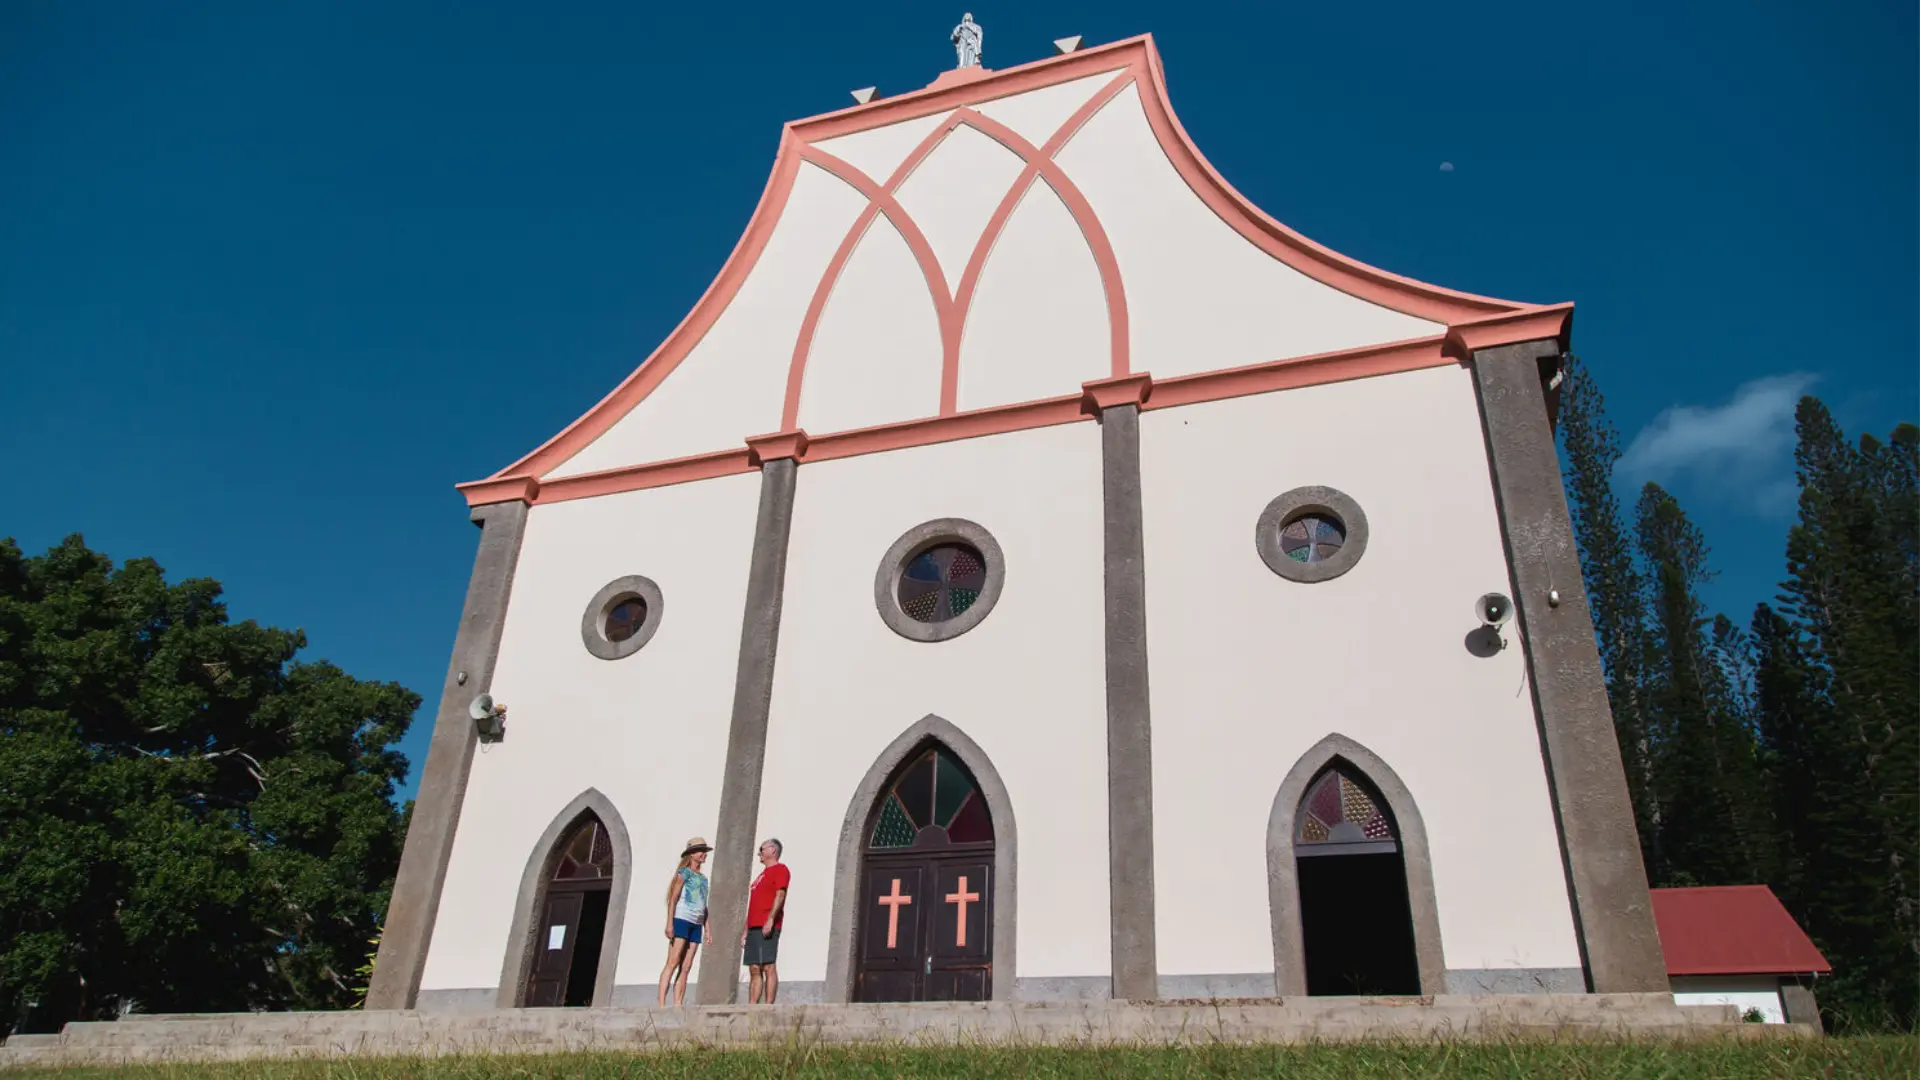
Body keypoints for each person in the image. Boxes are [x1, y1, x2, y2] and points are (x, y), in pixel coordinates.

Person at [656, 836, 711, 1007]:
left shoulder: (703, 879)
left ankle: (678, 1003)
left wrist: (707, 929)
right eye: (701, 851)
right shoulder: (683, 873)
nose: (704, 854)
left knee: (686, 965)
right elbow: (673, 899)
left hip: (697, 923)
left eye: (704, 851)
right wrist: (669, 923)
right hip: (682, 919)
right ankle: (661, 1004)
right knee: (673, 961)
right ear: (692, 854)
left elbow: (704, 904)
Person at [742, 838, 788, 1003]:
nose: (759, 853)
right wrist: (745, 931)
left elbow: (780, 894)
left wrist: (770, 920)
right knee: (754, 968)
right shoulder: (761, 875)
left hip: (767, 924)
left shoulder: (780, 869)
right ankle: (752, 1006)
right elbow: (754, 903)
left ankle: (768, 1006)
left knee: (768, 965)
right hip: (753, 926)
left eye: (762, 849)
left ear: (773, 850)